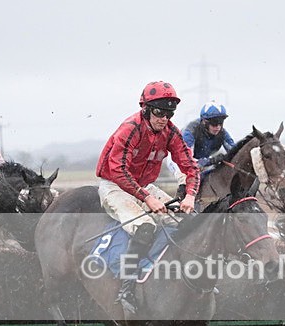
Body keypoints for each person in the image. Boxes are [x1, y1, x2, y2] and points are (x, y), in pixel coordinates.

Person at [96, 81, 201, 314]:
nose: (164, 118)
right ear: (145, 109)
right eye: (159, 112)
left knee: (186, 223)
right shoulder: (130, 128)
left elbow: (191, 167)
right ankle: (127, 286)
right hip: (115, 185)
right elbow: (118, 171)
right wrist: (146, 198)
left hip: (144, 186)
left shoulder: (170, 132)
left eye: (169, 113)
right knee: (145, 227)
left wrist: (190, 196)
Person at [168, 100, 236, 199]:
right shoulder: (190, 131)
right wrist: (212, 160)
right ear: (204, 121)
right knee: (185, 177)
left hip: (202, 160)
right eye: (214, 123)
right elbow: (188, 162)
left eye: (220, 122)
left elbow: (234, 150)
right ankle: (180, 202)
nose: (217, 127)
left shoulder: (222, 133)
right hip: (179, 160)